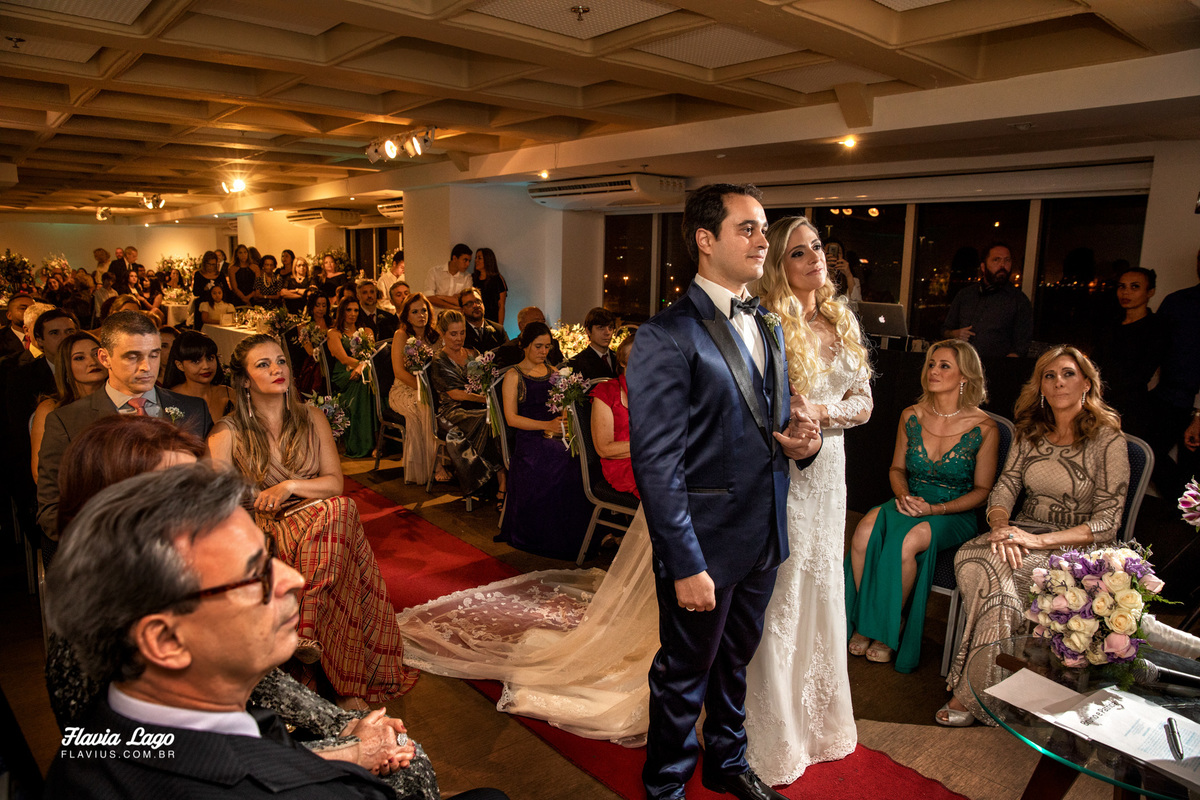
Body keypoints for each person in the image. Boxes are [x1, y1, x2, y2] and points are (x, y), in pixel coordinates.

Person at [43, 464, 503, 800]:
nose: (295, 580)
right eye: (255, 576)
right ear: (164, 640)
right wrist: (350, 757)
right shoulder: (306, 792)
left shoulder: (89, 739)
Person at [627, 184, 821, 800]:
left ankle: (728, 763)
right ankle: (665, 787)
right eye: (748, 229)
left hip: (763, 532)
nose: (764, 240)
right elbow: (656, 465)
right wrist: (684, 562)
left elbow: (769, 428)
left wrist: (803, 443)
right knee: (684, 673)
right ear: (705, 241)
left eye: (764, 229)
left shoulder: (768, 322)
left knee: (736, 662)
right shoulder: (666, 334)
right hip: (703, 543)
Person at [209, 334, 418, 707]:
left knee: (338, 509)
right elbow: (218, 506)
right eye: (263, 365)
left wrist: (290, 485)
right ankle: (348, 685)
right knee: (341, 517)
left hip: (318, 522)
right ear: (243, 380)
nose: (277, 370)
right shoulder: (227, 432)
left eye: (281, 361)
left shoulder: (311, 417)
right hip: (266, 529)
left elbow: (334, 483)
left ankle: (310, 635)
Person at [736, 215, 872, 786]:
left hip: (832, 472)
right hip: (787, 472)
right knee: (783, 591)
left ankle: (819, 719)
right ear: (778, 266)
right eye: (797, 252)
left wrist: (821, 412)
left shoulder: (843, 320)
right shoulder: (770, 324)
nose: (814, 257)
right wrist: (801, 419)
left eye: (817, 247)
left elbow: (863, 404)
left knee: (822, 582)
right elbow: (761, 405)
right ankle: (767, 727)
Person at [942, 345, 1129, 726]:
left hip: (1073, 549)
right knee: (976, 558)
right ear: (1040, 385)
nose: (1058, 381)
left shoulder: (1108, 440)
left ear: (1087, 383)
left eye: (1068, 374)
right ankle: (992, 689)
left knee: (996, 574)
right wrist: (1000, 528)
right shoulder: (1030, 431)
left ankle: (971, 690)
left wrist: (1035, 541)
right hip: (1016, 534)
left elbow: (1107, 522)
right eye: (1050, 375)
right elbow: (1005, 488)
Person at [845, 340, 998, 672]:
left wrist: (935, 510)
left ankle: (888, 628)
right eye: (931, 364)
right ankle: (867, 619)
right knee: (863, 532)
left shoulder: (985, 427)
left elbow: (984, 490)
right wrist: (903, 496)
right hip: (910, 499)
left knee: (907, 543)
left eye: (944, 366)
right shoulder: (910, 415)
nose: (933, 371)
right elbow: (897, 469)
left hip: (953, 511)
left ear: (965, 377)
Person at [36, 311, 213, 539]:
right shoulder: (67, 421)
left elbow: (211, 486)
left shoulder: (193, 408)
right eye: (132, 357)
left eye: (153, 355)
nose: (146, 367)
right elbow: (52, 511)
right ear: (104, 357)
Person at [497, 321, 592, 558]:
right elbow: (511, 419)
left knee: (579, 454)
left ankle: (577, 532)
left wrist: (562, 420)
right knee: (560, 458)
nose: (543, 351)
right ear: (525, 346)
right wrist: (546, 426)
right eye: (538, 346)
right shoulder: (513, 375)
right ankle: (547, 534)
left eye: (547, 347)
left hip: (554, 433)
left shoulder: (554, 373)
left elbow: (561, 408)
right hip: (529, 437)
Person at [428, 309, 505, 498]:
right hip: (453, 410)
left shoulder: (473, 353)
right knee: (489, 420)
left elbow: (484, 383)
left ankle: (504, 476)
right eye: (453, 334)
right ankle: (500, 479)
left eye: (462, 332)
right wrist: (484, 399)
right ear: (443, 334)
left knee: (501, 416)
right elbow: (455, 394)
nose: (458, 338)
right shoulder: (439, 359)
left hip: (477, 405)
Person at [1145, 247, 1200, 501]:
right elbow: (1156, 347)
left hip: (1195, 399)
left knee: (1193, 464)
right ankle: (1181, 504)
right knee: (1147, 450)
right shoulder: (1177, 301)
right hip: (1168, 394)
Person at [1090, 266, 1161, 438]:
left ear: (1150, 292)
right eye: (1122, 286)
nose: (1126, 293)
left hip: (1130, 408)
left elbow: (1143, 373)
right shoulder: (1111, 324)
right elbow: (1094, 361)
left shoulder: (1156, 328)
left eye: (1134, 287)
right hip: (1097, 403)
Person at [388, 292, 448, 485]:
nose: (421, 315)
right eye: (415, 311)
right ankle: (435, 464)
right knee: (422, 406)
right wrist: (425, 391)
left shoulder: (436, 336)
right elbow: (398, 372)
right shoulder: (401, 335)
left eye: (424, 310)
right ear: (406, 315)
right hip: (403, 388)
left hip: (431, 388)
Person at [30, 331, 105, 482]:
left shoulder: (124, 400)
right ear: (66, 367)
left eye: (96, 354)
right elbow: (41, 474)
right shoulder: (51, 409)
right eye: (79, 358)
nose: (92, 362)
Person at [942, 242, 1033, 358]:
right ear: (983, 267)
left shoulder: (1019, 300)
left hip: (996, 369)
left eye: (1007, 260)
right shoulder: (965, 295)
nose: (1002, 265)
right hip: (961, 366)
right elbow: (945, 330)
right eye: (996, 260)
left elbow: (1021, 346)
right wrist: (955, 334)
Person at [326, 297, 377, 459]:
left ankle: (378, 440)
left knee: (368, 381)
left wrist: (363, 366)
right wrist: (363, 366)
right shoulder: (334, 333)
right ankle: (365, 443)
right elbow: (344, 359)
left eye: (356, 310)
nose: (353, 314)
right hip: (343, 376)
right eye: (349, 310)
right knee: (365, 382)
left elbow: (372, 356)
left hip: (363, 371)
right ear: (342, 311)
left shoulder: (367, 331)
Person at [590, 329, 638, 498]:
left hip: (657, 458)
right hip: (623, 465)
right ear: (622, 362)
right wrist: (652, 447)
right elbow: (604, 449)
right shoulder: (607, 391)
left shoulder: (657, 391)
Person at [163, 330, 235, 423]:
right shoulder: (171, 399)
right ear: (179, 365)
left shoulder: (228, 394)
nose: (206, 366)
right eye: (196, 361)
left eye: (210, 358)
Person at [492, 306, 563, 368]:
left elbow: (562, 367)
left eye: (543, 321)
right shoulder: (509, 349)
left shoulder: (554, 344)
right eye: (536, 321)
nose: (544, 351)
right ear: (521, 325)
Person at [566, 307, 618, 381]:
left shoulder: (618, 359)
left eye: (610, 328)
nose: (607, 333)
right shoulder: (576, 363)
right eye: (601, 327)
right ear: (588, 331)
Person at [296, 292, 333, 395]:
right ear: (312, 306)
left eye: (324, 305)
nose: (321, 309)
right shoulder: (304, 327)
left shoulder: (332, 324)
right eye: (318, 305)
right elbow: (309, 351)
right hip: (314, 361)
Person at [426, 243, 474, 310]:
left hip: (457, 318)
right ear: (454, 258)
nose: (468, 264)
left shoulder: (467, 277)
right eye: (465, 260)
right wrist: (452, 306)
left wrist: (442, 297)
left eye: (469, 261)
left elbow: (465, 302)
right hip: (437, 317)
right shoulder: (435, 272)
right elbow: (429, 298)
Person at [459, 287, 507, 352]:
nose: (475, 305)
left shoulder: (498, 330)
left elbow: (508, 355)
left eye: (478, 301)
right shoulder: (459, 333)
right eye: (470, 304)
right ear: (462, 310)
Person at [472, 247, 508, 325]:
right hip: (475, 320)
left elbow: (501, 305)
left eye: (479, 258)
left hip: (492, 321)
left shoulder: (497, 279)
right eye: (476, 258)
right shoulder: (472, 279)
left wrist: (500, 326)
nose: (476, 261)